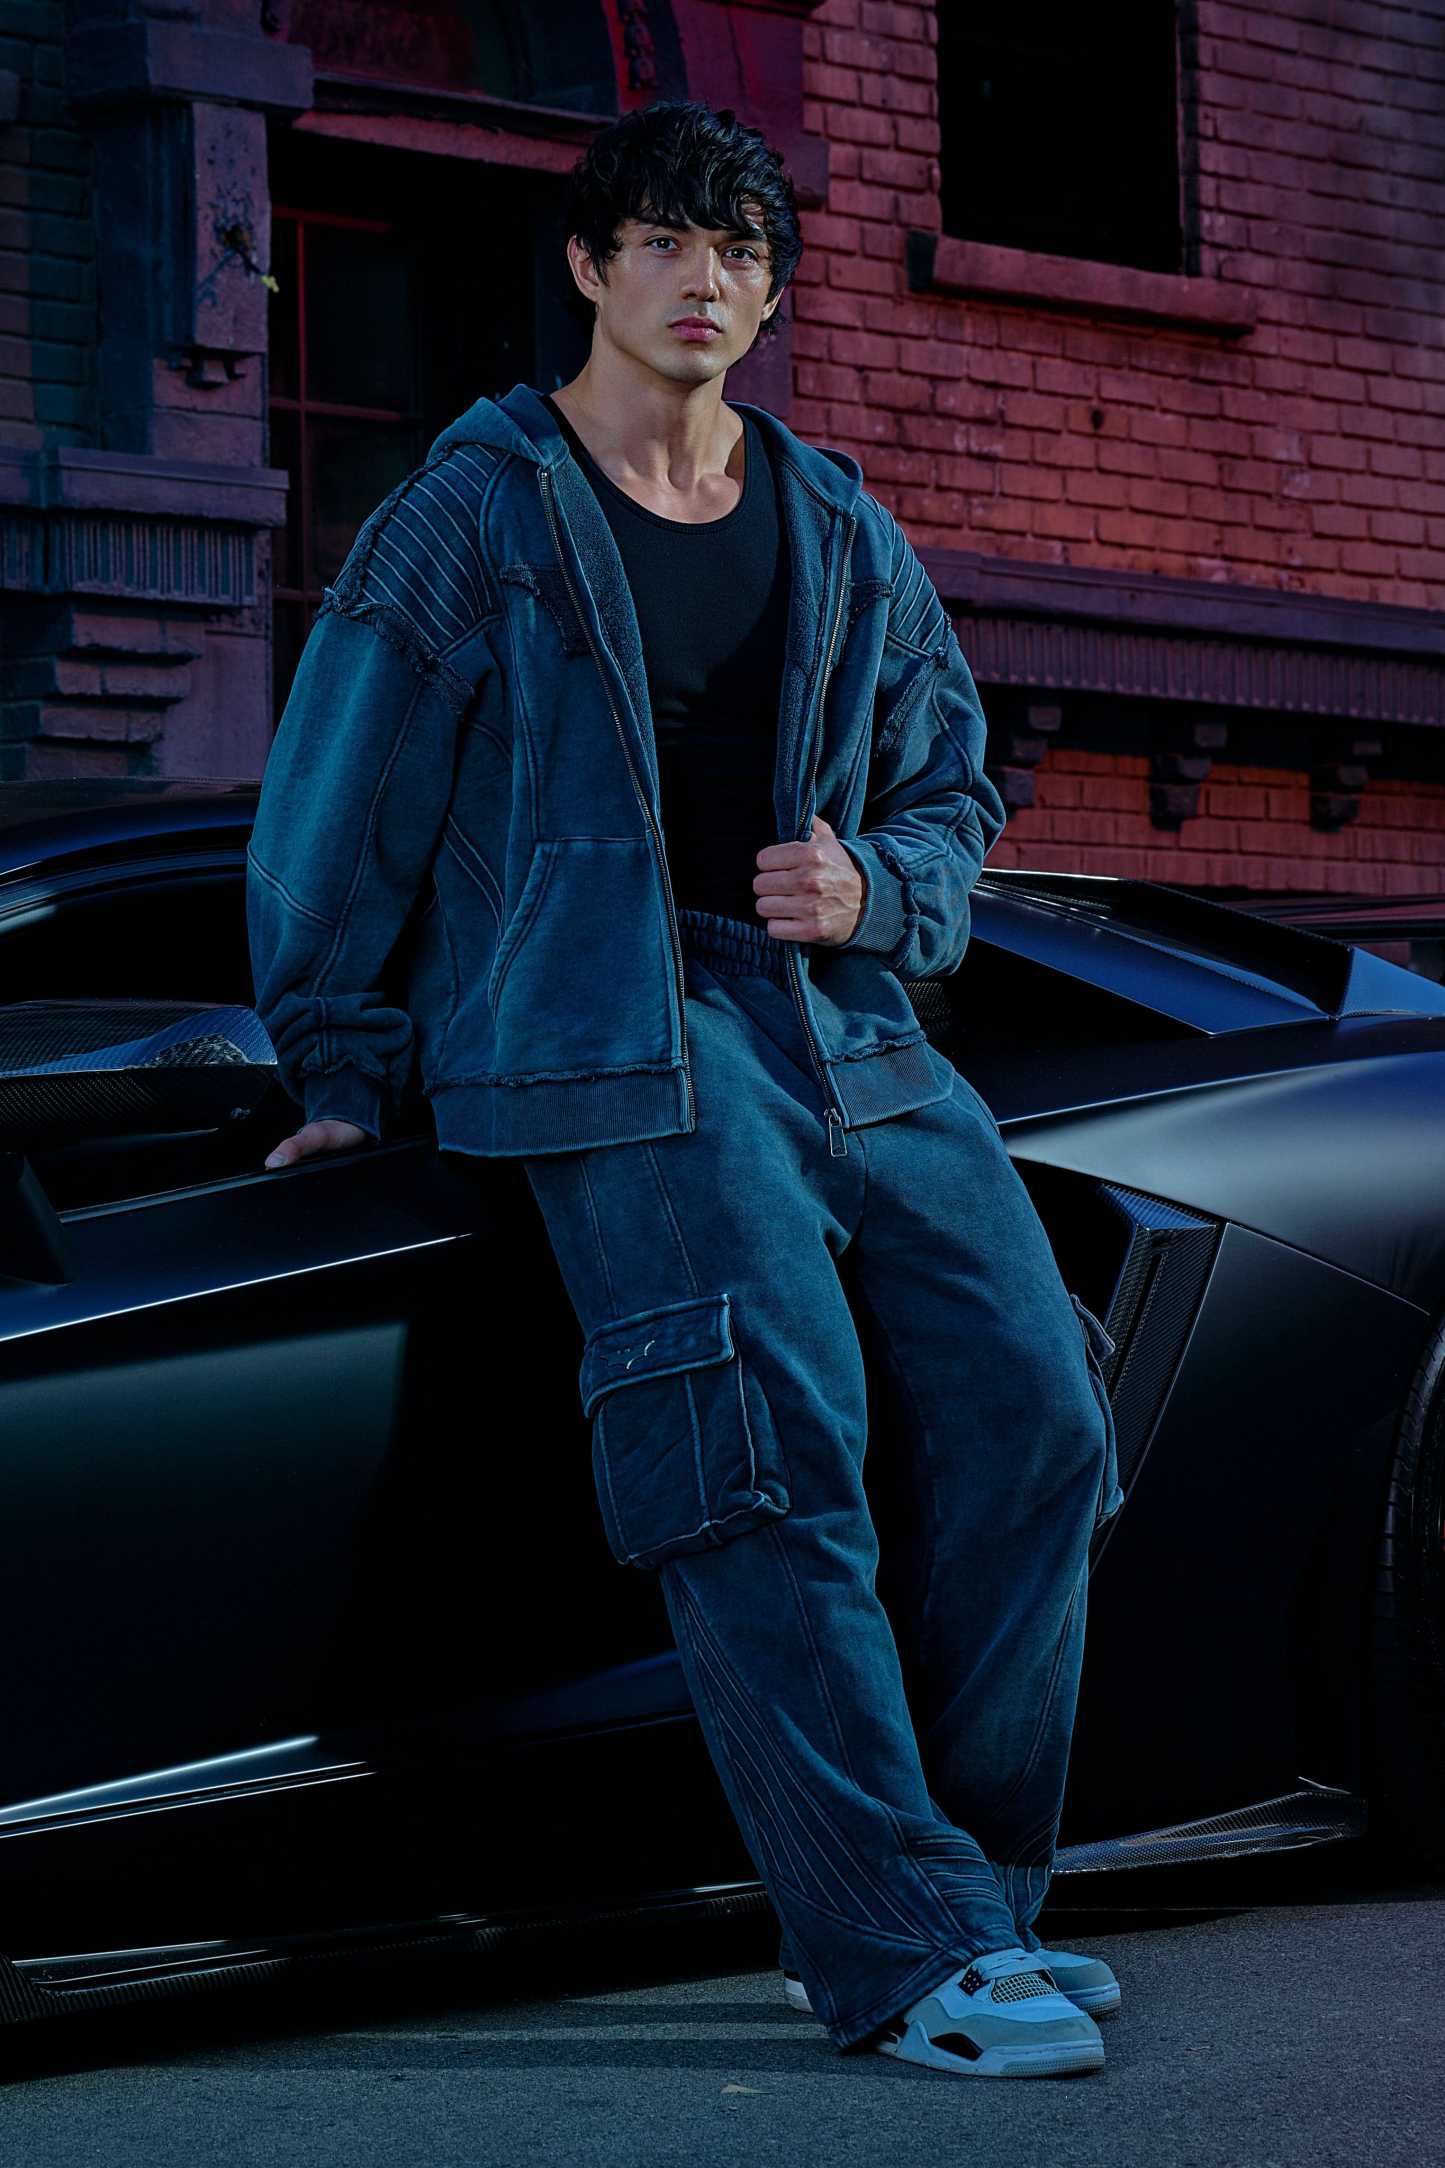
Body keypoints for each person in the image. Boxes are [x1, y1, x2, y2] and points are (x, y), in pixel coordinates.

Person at [247, 96, 1124, 2079]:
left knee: (1044, 1420)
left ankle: (976, 1901)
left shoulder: (836, 522)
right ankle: (899, 1945)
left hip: (851, 1032)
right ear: (589, 267)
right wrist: (340, 1061)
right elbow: (341, 812)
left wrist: (880, 885)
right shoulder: (469, 518)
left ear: (770, 290)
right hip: (610, 1042)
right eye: (664, 243)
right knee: (759, 1451)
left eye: (740, 251)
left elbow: (951, 782)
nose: (705, 280)